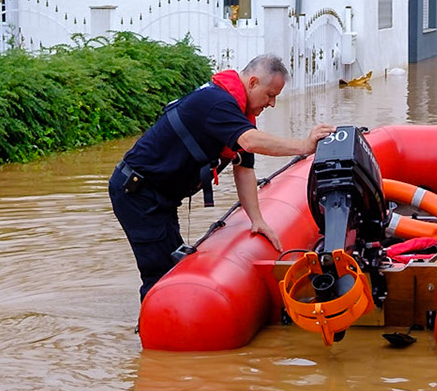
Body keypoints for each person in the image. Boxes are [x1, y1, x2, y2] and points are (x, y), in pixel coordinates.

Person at [110, 55, 331, 297]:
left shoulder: (238, 115)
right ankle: (155, 327)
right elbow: (249, 141)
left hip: (161, 197)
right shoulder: (217, 102)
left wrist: (257, 220)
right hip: (137, 192)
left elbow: (244, 168)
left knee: (173, 266)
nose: (272, 103)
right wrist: (304, 146)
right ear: (253, 82)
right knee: (158, 273)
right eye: (270, 95)